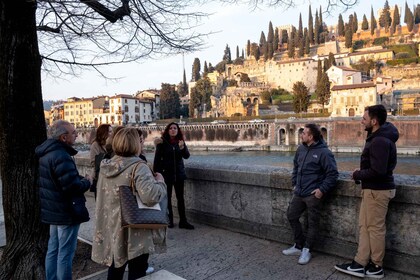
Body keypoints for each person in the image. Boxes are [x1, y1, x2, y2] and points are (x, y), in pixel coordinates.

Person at [91, 128, 167, 280]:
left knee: (116, 268)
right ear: (135, 144)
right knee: (137, 270)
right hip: (135, 229)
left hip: (113, 226)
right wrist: (160, 182)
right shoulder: (139, 167)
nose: (142, 143)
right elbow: (151, 196)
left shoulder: (107, 166)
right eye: (140, 140)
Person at [335, 105, 398, 279]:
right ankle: (360, 262)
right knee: (365, 227)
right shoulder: (378, 138)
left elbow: (379, 171)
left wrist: (357, 173)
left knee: (375, 229)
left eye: (364, 118)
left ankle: (377, 265)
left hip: (377, 191)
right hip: (372, 190)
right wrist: (362, 173)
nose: (361, 121)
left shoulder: (379, 141)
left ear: (374, 121)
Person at [36, 120, 92, 280]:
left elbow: (59, 181)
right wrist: (87, 181)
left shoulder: (47, 153)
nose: (76, 135)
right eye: (73, 132)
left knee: (53, 249)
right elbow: (72, 187)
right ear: (63, 137)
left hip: (53, 211)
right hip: (66, 212)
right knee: (65, 254)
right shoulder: (62, 156)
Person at [282, 123, 338, 265]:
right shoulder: (301, 149)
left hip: (313, 194)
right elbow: (296, 167)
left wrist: (321, 190)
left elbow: (332, 174)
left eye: (304, 133)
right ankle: (298, 245)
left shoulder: (324, 153)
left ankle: (307, 250)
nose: (301, 135)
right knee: (291, 215)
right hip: (299, 192)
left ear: (311, 136)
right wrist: (294, 183)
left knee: (313, 223)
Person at [153, 122, 193, 229]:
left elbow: (187, 156)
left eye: (175, 128)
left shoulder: (180, 142)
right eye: (170, 128)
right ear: (167, 130)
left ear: (178, 130)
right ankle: (169, 220)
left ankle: (183, 221)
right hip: (167, 175)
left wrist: (182, 148)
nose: (173, 130)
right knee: (168, 199)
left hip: (179, 174)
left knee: (181, 199)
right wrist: (157, 173)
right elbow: (156, 160)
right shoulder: (162, 143)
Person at [89, 124, 112, 195]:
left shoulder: (112, 144)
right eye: (110, 131)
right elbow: (93, 162)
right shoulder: (95, 145)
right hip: (99, 178)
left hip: (110, 178)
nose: (112, 134)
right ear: (104, 133)